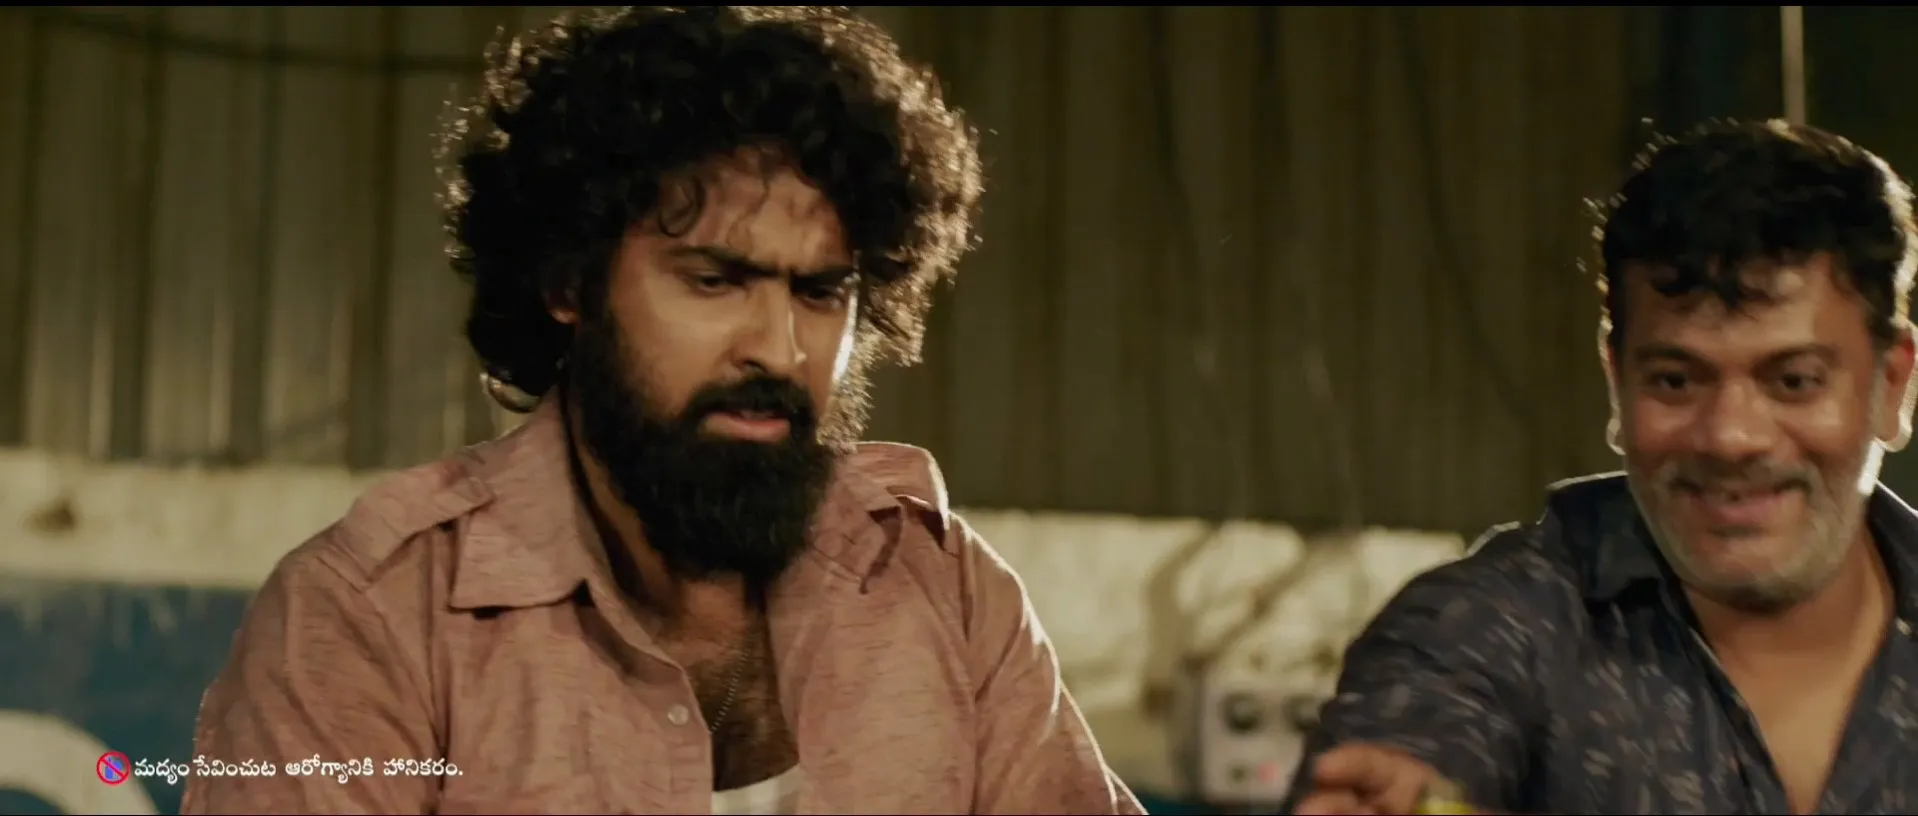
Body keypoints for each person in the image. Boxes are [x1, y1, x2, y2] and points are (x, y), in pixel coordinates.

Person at [182, 7, 1142, 815]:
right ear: (570, 281)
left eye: (820, 293)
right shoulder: (376, 617)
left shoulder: (941, 588)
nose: (779, 349)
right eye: (715, 280)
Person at [1287, 120, 1918, 815]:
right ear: (1616, 378)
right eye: (1675, 380)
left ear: (1893, 385)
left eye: (1794, 381)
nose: (1730, 437)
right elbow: (1416, 745)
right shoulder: (1497, 625)